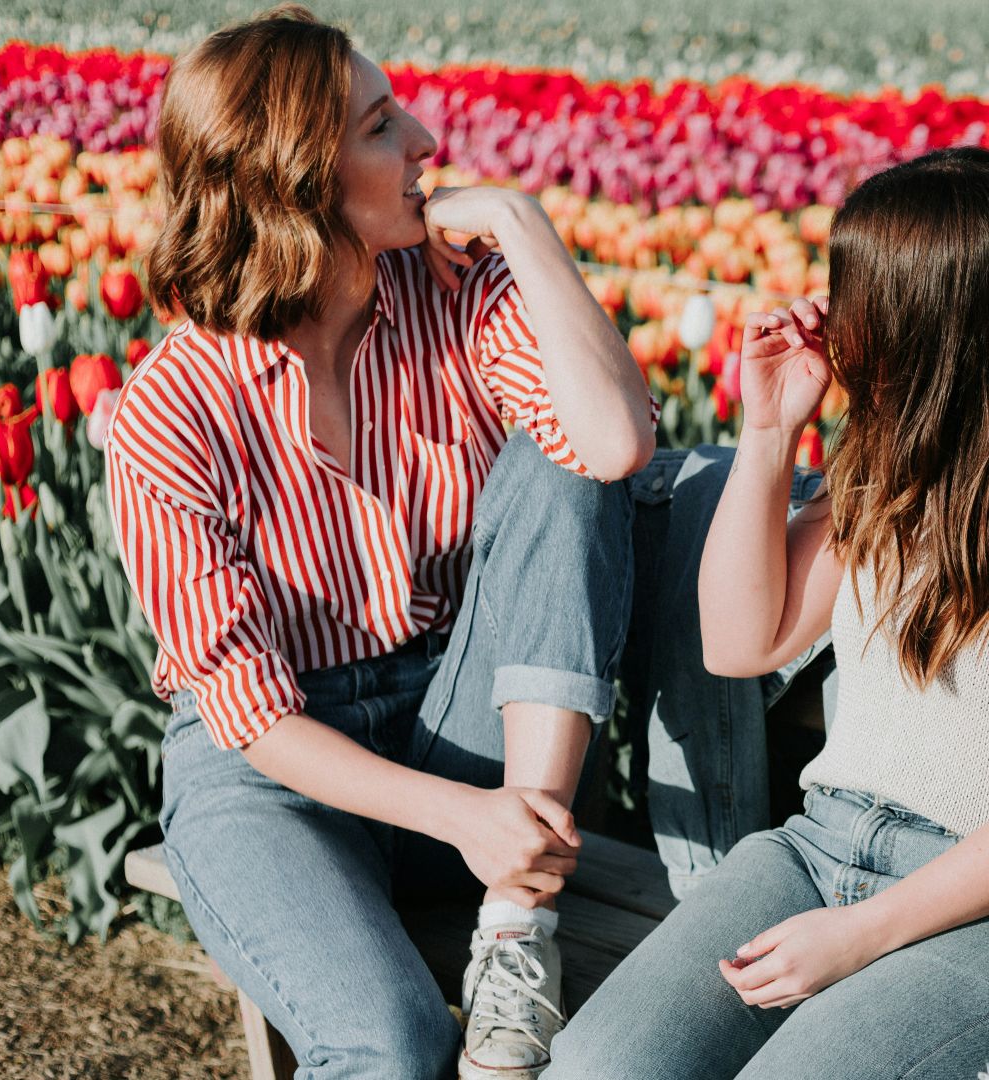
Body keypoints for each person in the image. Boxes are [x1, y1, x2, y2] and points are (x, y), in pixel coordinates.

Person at [547, 146, 989, 1080]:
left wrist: (863, 935)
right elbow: (742, 644)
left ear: (932, 319)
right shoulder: (895, 462)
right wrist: (770, 430)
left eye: (853, 294)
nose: (836, 320)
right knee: (594, 1070)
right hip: (817, 850)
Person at [104, 7, 657, 1077]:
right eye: (380, 125)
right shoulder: (171, 411)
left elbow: (615, 442)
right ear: (295, 179)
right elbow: (254, 716)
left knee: (562, 460)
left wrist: (524, 226)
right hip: (276, 781)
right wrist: (467, 815)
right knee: (390, 1047)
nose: (426, 144)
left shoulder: (459, 294)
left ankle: (513, 930)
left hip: (475, 728)